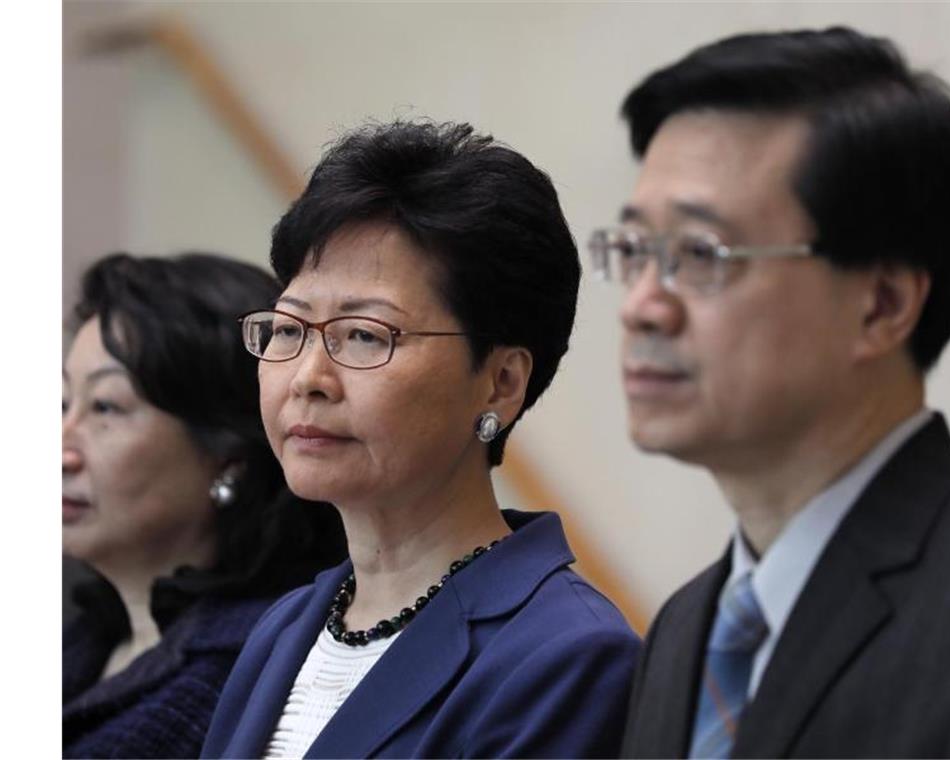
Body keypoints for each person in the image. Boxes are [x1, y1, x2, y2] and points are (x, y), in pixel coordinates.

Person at [591, 27, 950, 759]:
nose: (642, 306)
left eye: (699, 253)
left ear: (881, 306)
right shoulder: (683, 630)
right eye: (633, 252)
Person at [201, 119, 639, 759]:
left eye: (365, 336)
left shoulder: (566, 655)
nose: (309, 379)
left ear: (501, 383)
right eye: (289, 329)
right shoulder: (286, 626)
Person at [63, 252, 347, 758]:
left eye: (106, 407)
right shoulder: (85, 632)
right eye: (64, 403)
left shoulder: (248, 674)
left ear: (229, 454)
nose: (63, 450)